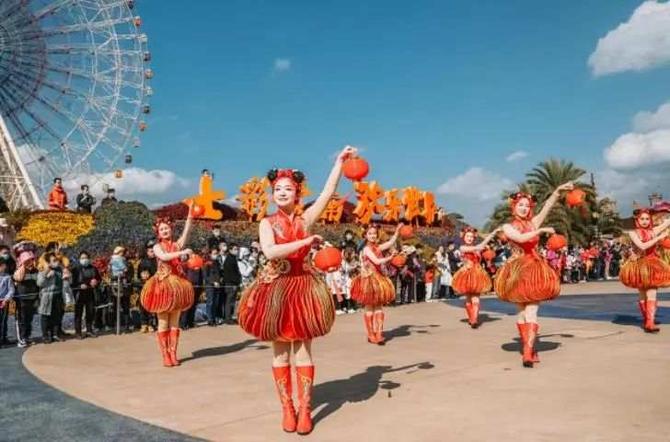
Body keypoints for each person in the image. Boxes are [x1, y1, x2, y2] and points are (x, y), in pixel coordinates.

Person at [238, 145, 354, 435]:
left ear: (297, 193)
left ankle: (305, 409)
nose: (282, 193)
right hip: (276, 290)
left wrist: (339, 162)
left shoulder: (305, 219)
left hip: (303, 288)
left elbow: (327, 193)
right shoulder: (266, 223)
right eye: (278, 189)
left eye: (288, 188)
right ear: (272, 193)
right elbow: (270, 251)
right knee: (280, 353)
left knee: (303, 351)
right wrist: (305, 242)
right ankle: (287, 408)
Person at [495, 183, 573, 368]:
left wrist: (557, 191)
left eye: (527, 205)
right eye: (520, 205)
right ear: (514, 206)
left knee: (531, 310)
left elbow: (547, 207)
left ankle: (527, 353)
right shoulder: (507, 226)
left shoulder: (533, 222)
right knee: (522, 312)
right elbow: (520, 238)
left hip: (534, 270)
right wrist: (540, 231)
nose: (524, 208)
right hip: (517, 272)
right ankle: (529, 348)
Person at [140, 213, 195, 367]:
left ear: (171, 229)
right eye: (162, 229)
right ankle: (165, 355)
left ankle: (173, 354)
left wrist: (190, 216)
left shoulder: (177, 244)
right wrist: (182, 253)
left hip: (176, 286)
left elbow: (186, 232)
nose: (165, 231)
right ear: (158, 233)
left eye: (167, 228)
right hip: (162, 287)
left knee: (175, 323)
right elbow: (164, 257)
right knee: (163, 322)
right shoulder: (157, 247)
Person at [620, 208, 670, 333]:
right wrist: (658, 238)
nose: (645, 221)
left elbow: (666, 223)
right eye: (642, 219)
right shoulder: (633, 232)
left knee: (651, 291)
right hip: (639, 265)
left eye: (647, 219)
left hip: (652, 265)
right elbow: (642, 246)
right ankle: (648, 320)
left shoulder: (653, 231)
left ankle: (649, 321)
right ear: (637, 220)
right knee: (643, 293)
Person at [351, 224, 401, 344]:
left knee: (378, 306)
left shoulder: (378, 247)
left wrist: (397, 231)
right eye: (370, 233)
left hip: (378, 279)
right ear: (365, 235)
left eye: (374, 233)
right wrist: (389, 258)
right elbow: (376, 261)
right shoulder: (366, 249)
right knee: (369, 306)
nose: (373, 235)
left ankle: (379, 334)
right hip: (369, 279)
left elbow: (390, 243)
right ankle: (371, 334)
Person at [452, 227, 499, 328]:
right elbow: (478, 247)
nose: (469, 238)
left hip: (477, 273)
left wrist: (492, 234)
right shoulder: (462, 247)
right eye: (468, 236)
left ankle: (474, 320)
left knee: (476, 298)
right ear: (464, 237)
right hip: (467, 273)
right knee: (468, 298)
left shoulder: (476, 248)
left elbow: (481, 246)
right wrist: (481, 246)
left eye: (471, 237)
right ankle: (471, 318)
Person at [12, 243, 39, 347]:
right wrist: (23, 266)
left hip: (32, 297)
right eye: (28, 260)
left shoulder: (35, 270)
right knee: (22, 319)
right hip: (22, 298)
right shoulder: (19, 270)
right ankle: (21, 338)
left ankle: (27, 336)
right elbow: (18, 278)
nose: (30, 262)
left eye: (31, 260)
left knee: (29, 319)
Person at [37, 253, 66, 344]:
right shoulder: (43, 270)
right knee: (45, 316)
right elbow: (39, 283)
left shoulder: (60, 270)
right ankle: (45, 336)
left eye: (57, 260)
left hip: (58, 295)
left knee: (57, 315)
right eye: (54, 260)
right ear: (48, 262)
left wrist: (67, 277)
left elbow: (66, 281)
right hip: (47, 296)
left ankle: (55, 334)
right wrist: (46, 274)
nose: (56, 262)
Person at [71, 251, 100, 339]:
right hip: (79, 294)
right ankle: (78, 332)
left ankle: (89, 330)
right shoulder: (75, 269)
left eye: (86, 258)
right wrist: (79, 286)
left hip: (90, 292)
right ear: (79, 259)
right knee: (78, 313)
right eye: (82, 258)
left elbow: (99, 279)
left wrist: (96, 282)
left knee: (90, 312)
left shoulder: (93, 268)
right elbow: (71, 283)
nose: (85, 260)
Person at [137, 241, 158, 333]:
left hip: (155, 286)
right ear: (147, 251)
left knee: (152, 306)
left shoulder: (158, 261)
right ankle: (143, 324)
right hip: (144, 286)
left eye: (154, 251)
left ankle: (151, 324)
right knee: (143, 306)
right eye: (151, 251)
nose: (153, 253)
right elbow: (139, 275)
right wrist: (143, 276)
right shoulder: (142, 262)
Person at [221, 243, 241, 324]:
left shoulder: (232, 258)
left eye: (237, 249)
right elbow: (231, 274)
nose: (237, 251)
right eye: (235, 249)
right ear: (230, 250)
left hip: (232, 283)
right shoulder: (229, 259)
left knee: (232, 301)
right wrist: (235, 282)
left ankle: (230, 317)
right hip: (231, 283)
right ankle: (228, 318)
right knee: (229, 301)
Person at [204, 248, 223, 326]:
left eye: (216, 253)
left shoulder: (217, 262)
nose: (216, 255)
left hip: (217, 285)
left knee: (216, 302)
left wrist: (220, 280)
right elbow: (206, 276)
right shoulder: (207, 263)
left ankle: (214, 318)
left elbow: (219, 273)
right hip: (210, 286)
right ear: (210, 254)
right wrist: (213, 282)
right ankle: (210, 319)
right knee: (210, 302)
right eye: (214, 253)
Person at [0, 256, 15, 347]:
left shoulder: (7, 277)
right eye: (3, 265)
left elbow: (11, 289)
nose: (5, 267)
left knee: (3, 321)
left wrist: (6, 299)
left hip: (4, 301)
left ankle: (3, 338)